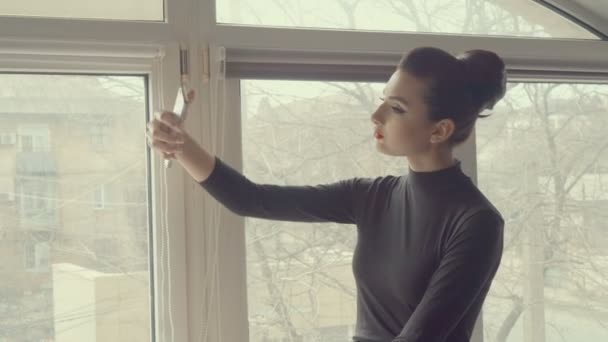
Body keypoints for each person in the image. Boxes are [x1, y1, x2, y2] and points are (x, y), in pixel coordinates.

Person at [147, 46, 507, 342]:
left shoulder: (477, 223)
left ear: (440, 130)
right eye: (383, 100)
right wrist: (180, 146)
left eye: (396, 108)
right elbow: (251, 199)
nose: (376, 115)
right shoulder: (373, 197)